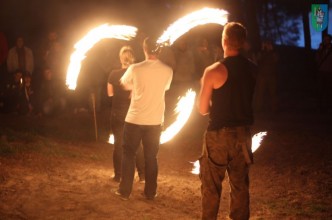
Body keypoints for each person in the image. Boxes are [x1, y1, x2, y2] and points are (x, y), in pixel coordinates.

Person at [197, 22, 257, 220]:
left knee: (211, 188)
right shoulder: (253, 69)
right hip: (243, 136)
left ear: (224, 41)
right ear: (242, 42)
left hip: (218, 136)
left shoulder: (213, 71)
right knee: (240, 187)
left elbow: (202, 109)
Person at [114, 37, 173, 200]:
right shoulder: (168, 70)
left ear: (144, 49)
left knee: (128, 153)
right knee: (151, 157)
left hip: (134, 119)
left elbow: (123, 83)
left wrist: (135, 87)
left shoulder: (135, 68)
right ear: (159, 50)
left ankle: (124, 191)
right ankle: (150, 192)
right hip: (154, 121)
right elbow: (164, 88)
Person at [107, 45, 145, 183]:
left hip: (117, 113)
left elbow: (110, 94)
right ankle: (142, 176)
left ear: (120, 58)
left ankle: (118, 175)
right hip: (133, 113)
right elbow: (136, 94)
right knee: (137, 144)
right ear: (133, 58)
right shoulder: (136, 75)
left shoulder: (113, 74)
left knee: (118, 144)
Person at [254, 39, 278, 114]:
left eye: (268, 44)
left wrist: (272, 50)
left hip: (272, 75)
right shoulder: (261, 52)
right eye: (266, 44)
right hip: (262, 75)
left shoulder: (273, 52)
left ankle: (274, 109)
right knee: (260, 93)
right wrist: (262, 49)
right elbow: (257, 59)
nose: (267, 46)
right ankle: (258, 109)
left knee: (273, 93)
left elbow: (276, 60)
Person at [315, 34, 332, 112]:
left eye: (326, 39)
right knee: (320, 90)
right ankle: (319, 106)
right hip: (321, 72)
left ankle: (328, 107)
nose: (325, 41)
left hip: (329, 72)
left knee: (328, 90)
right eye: (324, 39)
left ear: (329, 40)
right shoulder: (321, 49)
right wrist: (319, 50)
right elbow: (317, 60)